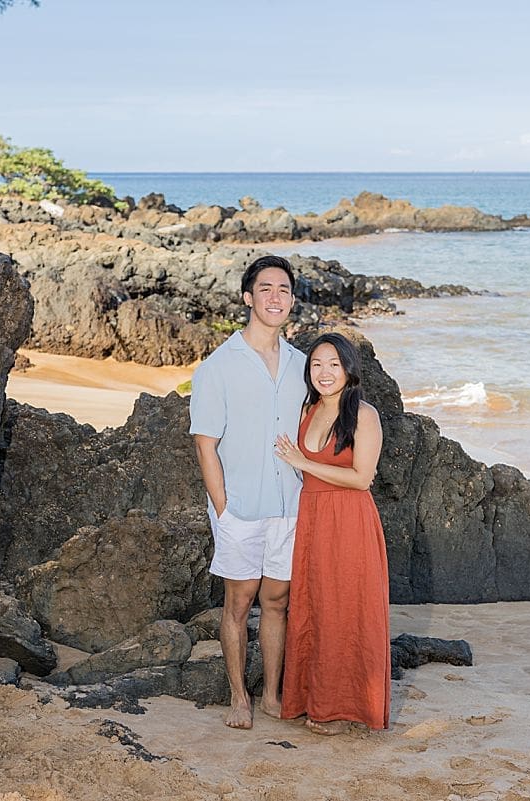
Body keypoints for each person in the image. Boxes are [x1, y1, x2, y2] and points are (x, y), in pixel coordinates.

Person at [188, 254, 307, 730]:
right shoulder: (219, 366)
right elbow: (205, 445)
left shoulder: (302, 365)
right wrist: (224, 509)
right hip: (239, 508)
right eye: (265, 289)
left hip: (290, 506)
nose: (275, 297)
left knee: (277, 602)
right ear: (247, 298)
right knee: (238, 604)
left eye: (283, 290)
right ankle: (239, 698)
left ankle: (273, 696)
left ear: (292, 300)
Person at [275, 332, 391, 735]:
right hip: (313, 516)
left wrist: (302, 463)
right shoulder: (307, 408)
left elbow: (362, 478)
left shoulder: (364, 415)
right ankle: (315, 700)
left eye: (334, 364)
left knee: (347, 610)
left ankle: (344, 709)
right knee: (315, 608)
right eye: (317, 364)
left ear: (349, 369)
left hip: (350, 519)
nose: (325, 372)